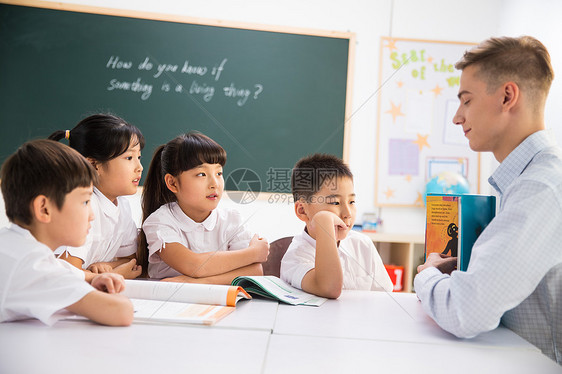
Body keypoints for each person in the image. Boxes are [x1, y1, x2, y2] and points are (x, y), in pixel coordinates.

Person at [415, 36, 562, 364]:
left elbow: (466, 312)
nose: (457, 117)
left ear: (508, 96)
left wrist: (426, 275)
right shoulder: (521, 181)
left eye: (466, 101)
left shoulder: (541, 188)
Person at [0, 139, 133, 326]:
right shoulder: (31, 263)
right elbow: (121, 312)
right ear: (44, 209)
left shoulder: (14, 245)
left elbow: (63, 269)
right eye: (85, 202)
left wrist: (94, 278)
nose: (92, 216)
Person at [138, 132, 268, 284]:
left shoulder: (231, 219)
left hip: (218, 302)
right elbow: (193, 265)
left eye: (219, 173)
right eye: (201, 174)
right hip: (169, 303)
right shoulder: (159, 222)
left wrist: (191, 283)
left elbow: (255, 272)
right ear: (173, 183)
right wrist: (253, 253)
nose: (214, 183)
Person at [280, 153, 393, 298]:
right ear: (302, 211)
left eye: (351, 202)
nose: (348, 213)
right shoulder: (294, 258)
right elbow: (329, 288)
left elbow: (385, 298)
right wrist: (324, 221)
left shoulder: (362, 244)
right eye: (335, 203)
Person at [49, 114, 143, 279]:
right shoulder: (83, 205)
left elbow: (130, 260)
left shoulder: (122, 205)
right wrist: (113, 273)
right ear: (93, 165)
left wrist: (106, 267)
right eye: (129, 158)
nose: (140, 167)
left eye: (139, 157)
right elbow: (65, 275)